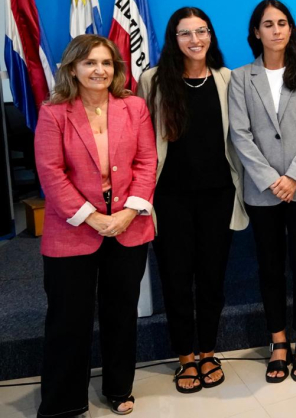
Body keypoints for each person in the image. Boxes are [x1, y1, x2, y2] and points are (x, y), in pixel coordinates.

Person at [34, 35, 157, 417]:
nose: (99, 70)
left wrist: (127, 213)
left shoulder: (133, 107)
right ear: (73, 68)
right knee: (68, 319)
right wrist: (93, 217)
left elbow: (146, 162)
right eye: (89, 63)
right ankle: (64, 402)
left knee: (121, 313)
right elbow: (51, 174)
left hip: (127, 226)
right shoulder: (54, 112)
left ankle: (119, 388)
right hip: (72, 231)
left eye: (106, 63)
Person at [139, 7, 248, 393]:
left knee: (212, 277)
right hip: (170, 198)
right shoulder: (152, 81)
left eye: (202, 31)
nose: (195, 39)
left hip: (219, 195)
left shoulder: (227, 79)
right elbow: (143, 143)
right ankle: (185, 357)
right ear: (174, 39)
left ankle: (208, 351)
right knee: (176, 278)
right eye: (186, 33)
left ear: (211, 35)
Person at [229, 0, 296, 383]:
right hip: (263, 191)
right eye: (268, 24)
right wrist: (270, 178)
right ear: (255, 32)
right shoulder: (241, 78)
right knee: (270, 267)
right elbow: (239, 134)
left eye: (283, 23)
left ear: (291, 29)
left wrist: (292, 177)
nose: (276, 30)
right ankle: (278, 341)